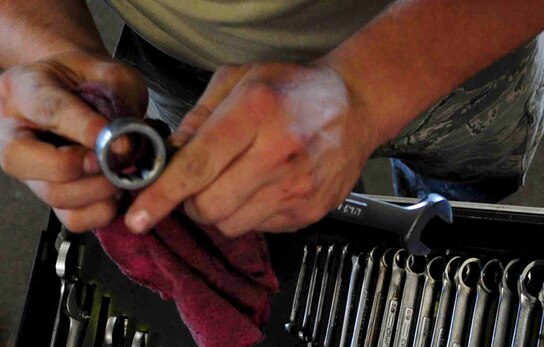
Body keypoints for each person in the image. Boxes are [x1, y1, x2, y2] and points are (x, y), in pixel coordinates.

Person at [0, 0, 543, 239]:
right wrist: (52, 53)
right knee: (250, 210)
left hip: (462, 56)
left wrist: (370, 88)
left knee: (469, 200)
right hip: (192, 74)